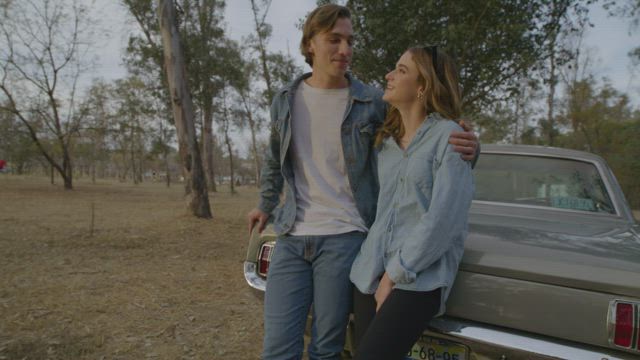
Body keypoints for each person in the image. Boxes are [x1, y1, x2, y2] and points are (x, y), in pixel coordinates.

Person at [246, 5, 478, 360]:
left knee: (328, 348)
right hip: (293, 234)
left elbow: (421, 133)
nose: (345, 49)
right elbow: (274, 156)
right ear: (310, 44)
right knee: (277, 348)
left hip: (345, 239)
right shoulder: (285, 100)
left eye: (350, 41)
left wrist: (471, 146)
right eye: (334, 40)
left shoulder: (371, 101)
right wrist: (265, 203)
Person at [349, 46, 475, 360]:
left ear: (423, 86)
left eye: (401, 70)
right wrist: (379, 274)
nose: (389, 76)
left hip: (418, 278)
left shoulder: (451, 137)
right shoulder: (384, 143)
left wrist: (395, 274)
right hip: (370, 273)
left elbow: (443, 220)